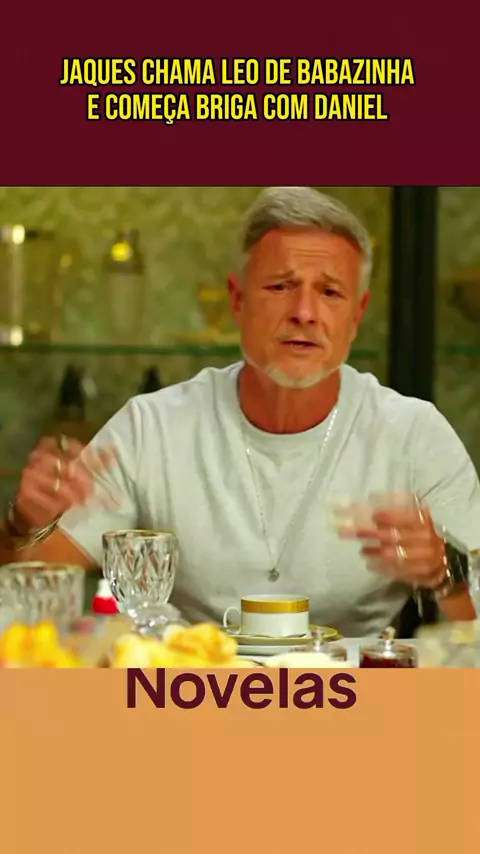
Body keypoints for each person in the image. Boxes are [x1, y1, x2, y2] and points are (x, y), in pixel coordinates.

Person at [1, 186, 478, 636]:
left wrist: (446, 573)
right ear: (238, 300)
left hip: (354, 688)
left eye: (330, 292)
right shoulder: (152, 427)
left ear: (357, 316)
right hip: (190, 683)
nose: (305, 312)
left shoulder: (413, 434)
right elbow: (25, 599)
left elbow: (472, 624)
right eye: (281, 286)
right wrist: (22, 523)